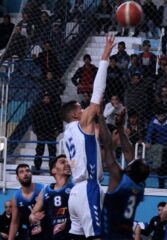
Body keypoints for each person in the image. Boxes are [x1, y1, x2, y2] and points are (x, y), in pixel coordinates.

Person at [60, 35, 115, 239]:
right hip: (87, 188)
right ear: (75, 114)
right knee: (97, 237)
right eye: (80, 109)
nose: (84, 110)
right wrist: (104, 58)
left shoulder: (66, 134)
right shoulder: (81, 123)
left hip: (75, 192)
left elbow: (94, 142)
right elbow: (98, 93)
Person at [98, 108, 150, 240]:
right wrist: (121, 128)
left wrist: (100, 115)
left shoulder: (118, 179)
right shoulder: (141, 188)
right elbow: (130, 154)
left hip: (110, 236)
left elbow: (107, 144)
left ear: (128, 170)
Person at [29, 155, 73, 239]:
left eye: (68, 162)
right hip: (50, 235)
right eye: (63, 162)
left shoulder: (75, 188)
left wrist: (67, 222)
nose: (67, 164)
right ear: (54, 170)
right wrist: (33, 218)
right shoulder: (45, 191)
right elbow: (31, 215)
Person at [8, 164, 44, 240]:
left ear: (31, 174)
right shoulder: (16, 197)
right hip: (32, 233)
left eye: (27, 171)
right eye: (21, 172)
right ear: (17, 177)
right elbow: (14, 223)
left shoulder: (42, 188)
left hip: (48, 231)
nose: (25, 174)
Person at [31, 92, 63, 172]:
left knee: (52, 152)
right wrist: (36, 130)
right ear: (42, 99)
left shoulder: (54, 108)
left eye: (47, 98)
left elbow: (59, 119)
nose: (46, 100)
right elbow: (34, 119)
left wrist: (58, 130)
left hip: (51, 132)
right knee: (39, 151)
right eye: (45, 98)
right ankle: (37, 167)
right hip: (41, 132)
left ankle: (52, 168)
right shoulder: (38, 108)